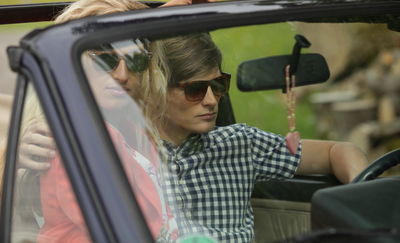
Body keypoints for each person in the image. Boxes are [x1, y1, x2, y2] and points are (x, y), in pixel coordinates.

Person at [9, 0, 217, 243]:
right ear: (70, 63)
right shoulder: (73, 138)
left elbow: (118, 40)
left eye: (136, 60)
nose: (121, 73)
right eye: (104, 61)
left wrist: (162, 14)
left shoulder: (131, 126)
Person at [150, 32, 369, 242]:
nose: (212, 100)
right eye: (195, 89)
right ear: (157, 89)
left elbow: (338, 151)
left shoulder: (240, 142)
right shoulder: (127, 157)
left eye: (218, 85)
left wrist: (364, 195)